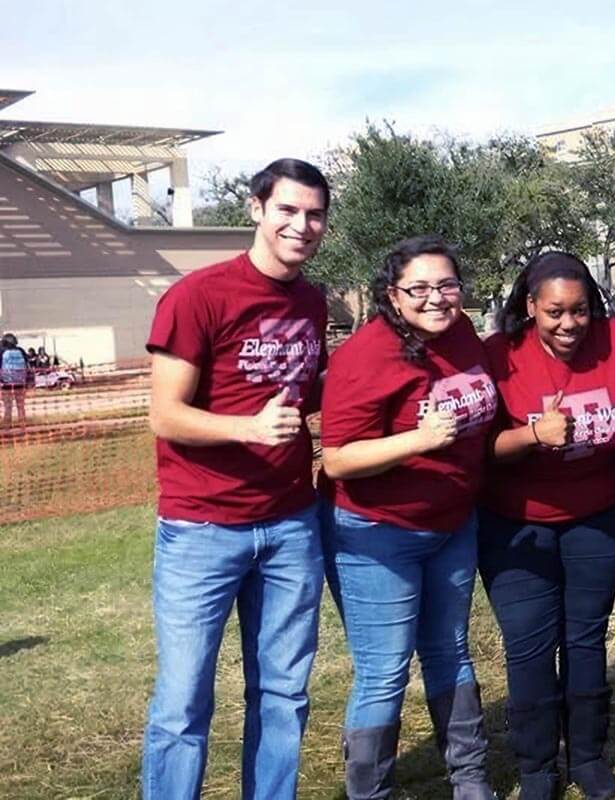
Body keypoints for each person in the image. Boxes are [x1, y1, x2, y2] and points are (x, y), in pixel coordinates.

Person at [141, 158, 330, 800]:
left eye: (313, 214)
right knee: (183, 702)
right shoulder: (198, 295)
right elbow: (164, 416)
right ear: (256, 209)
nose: (300, 225)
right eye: (287, 210)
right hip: (201, 529)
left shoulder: (311, 300)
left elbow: (310, 389)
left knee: (283, 695)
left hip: (290, 526)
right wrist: (247, 429)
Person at [318, 235, 498, 800]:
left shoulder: (463, 333)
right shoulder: (364, 355)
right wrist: (416, 440)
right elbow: (340, 457)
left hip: (451, 524)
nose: (436, 298)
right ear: (392, 296)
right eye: (418, 288)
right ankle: (370, 792)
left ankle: (469, 779)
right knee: (385, 667)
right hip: (377, 532)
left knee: (451, 648)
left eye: (446, 285)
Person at [479, 252, 615, 800]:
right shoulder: (496, 356)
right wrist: (533, 436)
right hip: (516, 525)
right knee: (529, 646)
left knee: (585, 638)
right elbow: (474, 449)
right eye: (554, 311)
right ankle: (536, 767)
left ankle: (587, 755)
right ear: (530, 307)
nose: (568, 324)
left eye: (579, 311)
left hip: (599, 518)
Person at [1, 333, 30, 428]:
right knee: (21, 406)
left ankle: (7, 428)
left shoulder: (1, 351)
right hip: (20, 382)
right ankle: (23, 427)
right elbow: (27, 365)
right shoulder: (21, 350)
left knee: (8, 407)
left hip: (6, 383)